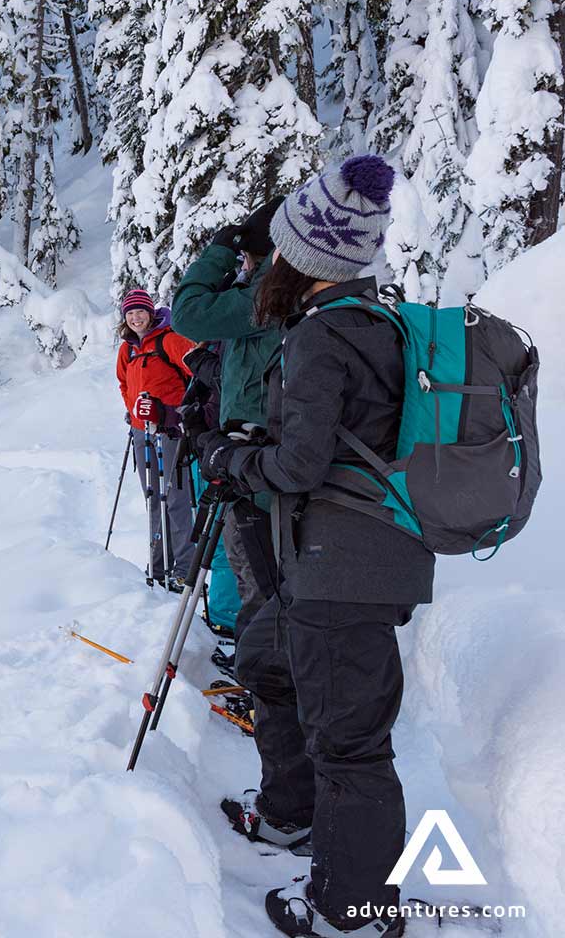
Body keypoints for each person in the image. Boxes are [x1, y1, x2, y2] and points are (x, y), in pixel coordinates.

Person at [197, 156, 434, 937]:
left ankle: (353, 912)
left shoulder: (325, 338)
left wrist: (233, 459)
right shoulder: (376, 321)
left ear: (306, 259)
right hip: (343, 559)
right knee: (268, 657)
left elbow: (296, 465)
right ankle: (293, 815)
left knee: (352, 746)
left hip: (343, 568)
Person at [173, 196, 284, 646]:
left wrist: (220, 250)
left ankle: (271, 689)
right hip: (255, 460)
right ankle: (264, 673)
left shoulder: (267, 293)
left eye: (244, 253)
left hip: (256, 466)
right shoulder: (275, 294)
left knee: (257, 576)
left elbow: (189, 313)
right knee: (253, 572)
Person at [115, 289, 196, 591]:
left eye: (140, 312)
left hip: (171, 431)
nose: (135, 318)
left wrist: (175, 414)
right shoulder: (128, 349)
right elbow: (124, 382)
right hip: (141, 432)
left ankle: (184, 569)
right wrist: (132, 412)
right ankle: (159, 563)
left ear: (151, 312)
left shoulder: (169, 340)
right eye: (130, 313)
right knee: (153, 498)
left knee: (176, 500)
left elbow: (200, 377)